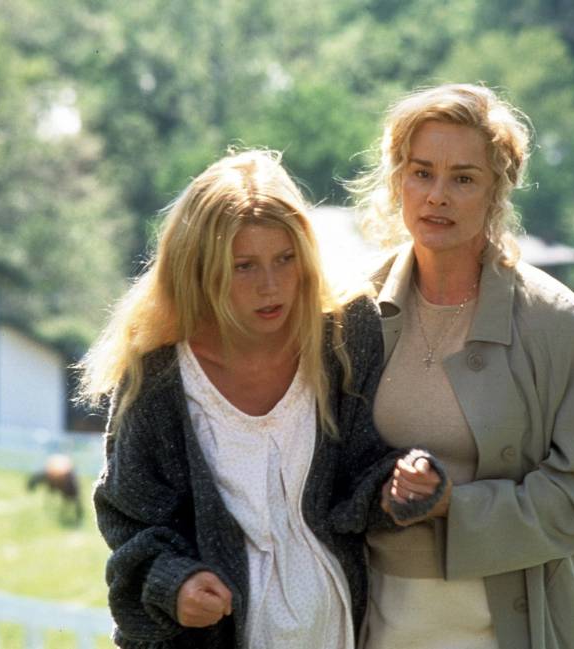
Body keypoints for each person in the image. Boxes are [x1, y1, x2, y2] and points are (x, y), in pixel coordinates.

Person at [78, 150, 444, 649]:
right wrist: (175, 583)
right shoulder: (158, 375)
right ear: (199, 270)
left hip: (335, 634)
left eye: (284, 259)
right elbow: (132, 521)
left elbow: (361, 468)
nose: (270, 286)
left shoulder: (344, 336)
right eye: (244, 266)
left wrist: (402, 485)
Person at [351, 84, 574, 649]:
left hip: (517, 623)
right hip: (378, 617)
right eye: (422, 173)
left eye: (463, 179)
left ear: (497, 189)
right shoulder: (351, 312)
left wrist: (456, 505)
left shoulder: (559, 324)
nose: (437, 196)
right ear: (398, 180)